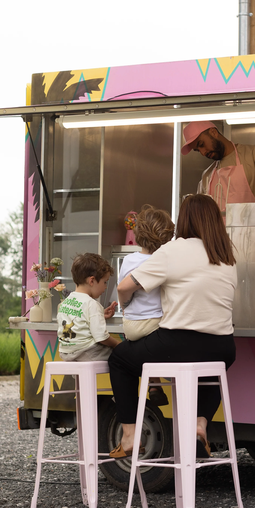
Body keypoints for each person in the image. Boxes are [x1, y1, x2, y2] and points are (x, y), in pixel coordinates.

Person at [107, 193, 237, 459]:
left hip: (180, 343)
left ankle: (130, 435)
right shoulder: (226, 254)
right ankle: (200, 425)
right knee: (208, 374)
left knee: (120, 359)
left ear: (184, 219)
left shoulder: (173, 250)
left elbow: (124, 286)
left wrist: (124, 304)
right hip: (224, 348)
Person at [118, 204, 175, 405]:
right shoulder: (164, 261)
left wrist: (125, 309)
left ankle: (153, 382)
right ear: (168, 236)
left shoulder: (127, 260)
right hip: (154, 324)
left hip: (131, 325)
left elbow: (123, 291)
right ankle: (157, 383)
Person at [181, 120, 255, 215]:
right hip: (218, 233)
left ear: (213, 132)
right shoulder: (207, 176)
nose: (203, 153)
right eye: (198, 150)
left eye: (201, 144)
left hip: (254, 232)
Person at [56, 253, 119, 362]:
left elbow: (79, 320)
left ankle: (82, 380)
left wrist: (101, 315)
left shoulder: (65, 303)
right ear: (92, 281)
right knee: (122, 355)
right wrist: (117, 344)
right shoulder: (92, 304)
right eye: (105, 282)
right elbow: (101, 337)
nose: (105, 287)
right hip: (87, 353)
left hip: (66, 353)